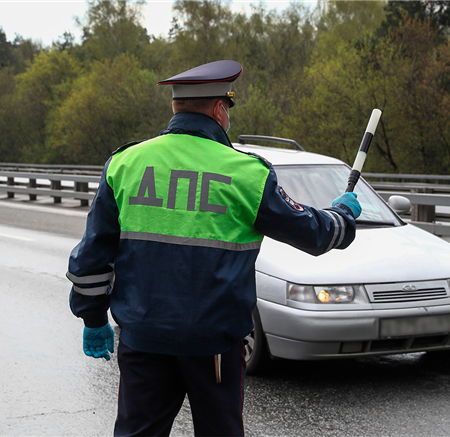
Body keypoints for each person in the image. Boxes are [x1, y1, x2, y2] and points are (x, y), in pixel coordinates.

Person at [66, 60, 361, 437]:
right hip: (214, 344)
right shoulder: (247, 172)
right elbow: (314, 234)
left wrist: (93, 318)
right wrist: (343, 214)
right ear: (220, 109)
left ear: (176, 107)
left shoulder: (125, 163)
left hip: (144, 339)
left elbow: (93, 255)